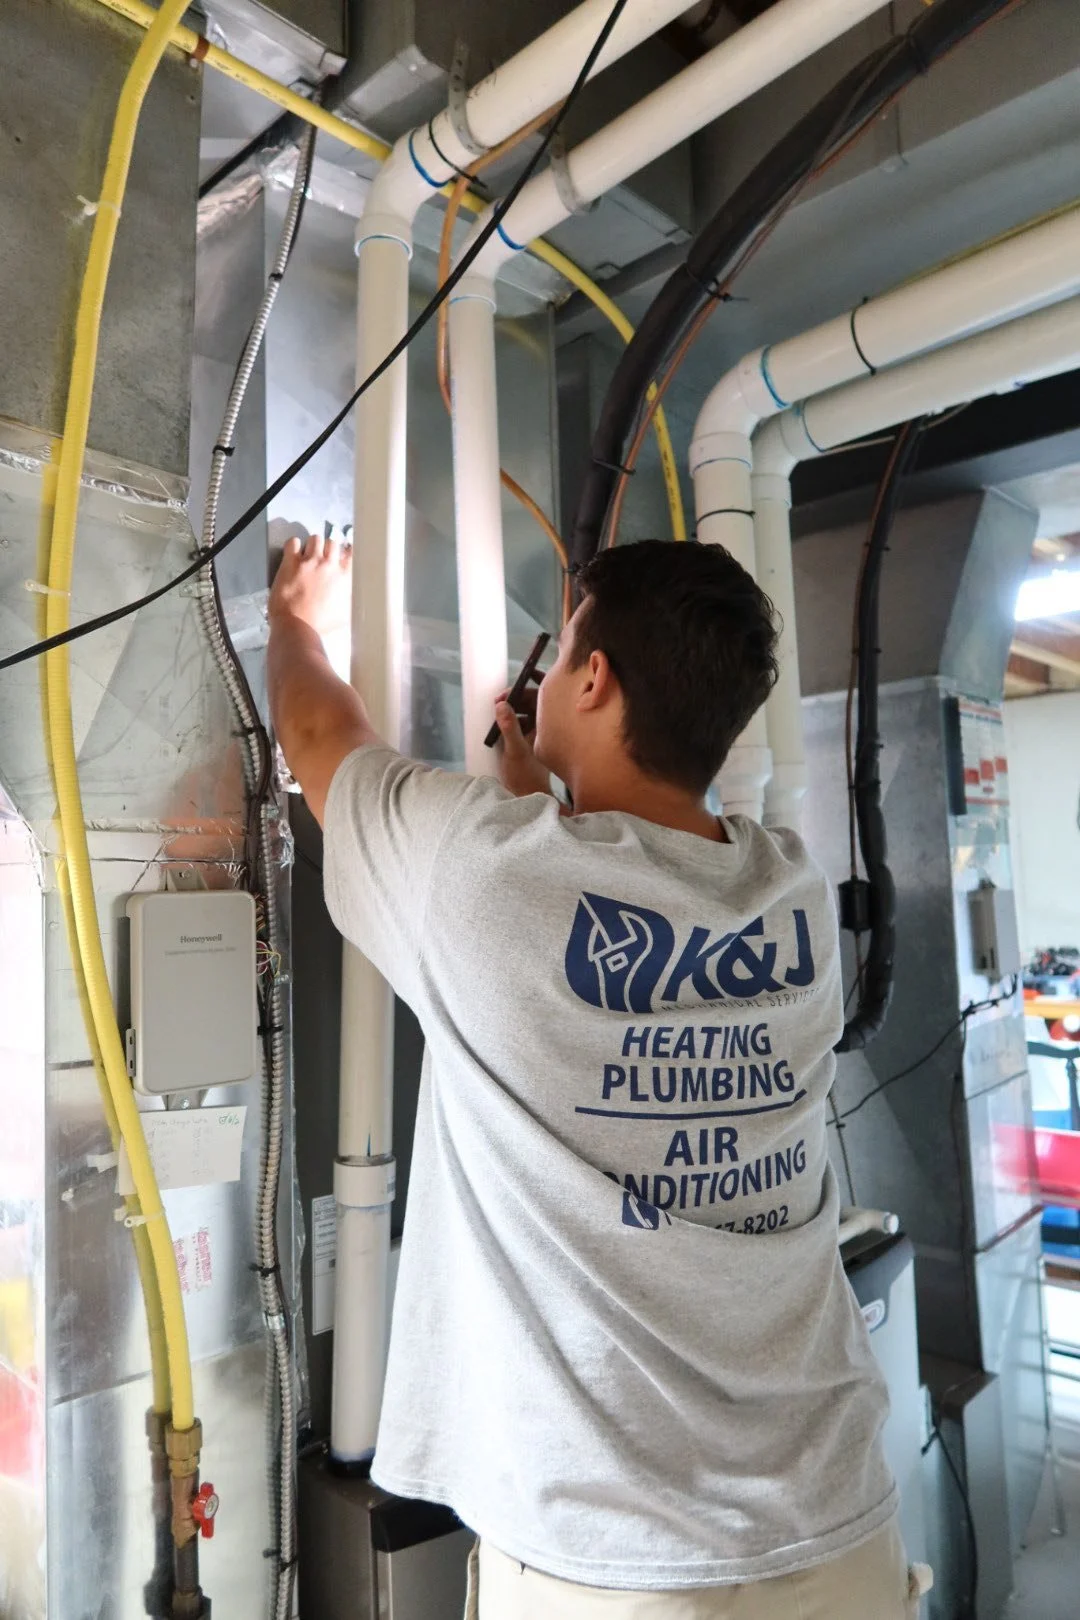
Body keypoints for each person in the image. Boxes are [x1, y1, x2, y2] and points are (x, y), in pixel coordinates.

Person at [268, 534, 919, 1619]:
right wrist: (551, 809)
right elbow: (632, 906)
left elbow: (317, 733)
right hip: (838, 1519)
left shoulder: (481, 871)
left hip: (615, 1565)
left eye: (566, 639)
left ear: (594, 675)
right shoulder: (791, 895)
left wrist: (297, 616)